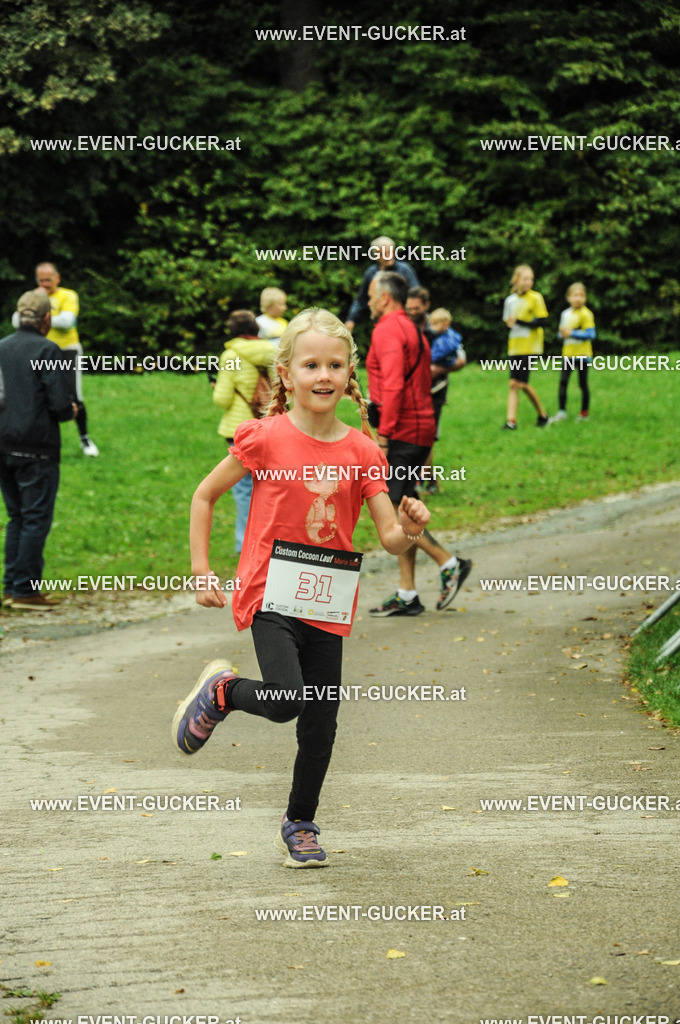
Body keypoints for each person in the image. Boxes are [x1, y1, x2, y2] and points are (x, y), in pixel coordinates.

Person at [172, 308, 430, 867]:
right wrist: (202, 571)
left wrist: (411, 528)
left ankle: (301, 822)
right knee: (288, 698)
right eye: (311, 364)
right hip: (269, 592)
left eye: (334, 365)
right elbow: (203, 496)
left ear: (348, 374)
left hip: (327, 598)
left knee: (321, 717)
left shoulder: (363, 451)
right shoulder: (265, 439)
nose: (323, 375)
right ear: (286, 374)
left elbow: (389, 537)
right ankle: (223, 692)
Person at [365, 271, 472, 616]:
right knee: (405, 505)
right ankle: (407, 593)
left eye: (370, 295)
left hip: (402, 431)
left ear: (384, 298)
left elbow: (394, 386)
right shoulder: (412, 327)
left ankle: (448, 562)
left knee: (393, 509)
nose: (367, 302)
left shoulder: (387, 329)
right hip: (420, 426)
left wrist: (383, 437)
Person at [0, 291, 77, 610]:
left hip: (2, 444)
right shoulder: (48, 349)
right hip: (37, 447)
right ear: (47, 320)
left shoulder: (1, 347)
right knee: (34, 518)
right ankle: (25, 590)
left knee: (16, 517)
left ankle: (10, 587)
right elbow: (60, 406)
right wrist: (71, 410)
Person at [13, 263, 98, 455]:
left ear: (57, 278)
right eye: (41, 280)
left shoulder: (68, 295)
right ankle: (37, 440)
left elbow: (68, 322)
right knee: (35, 396)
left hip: (66, 351)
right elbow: (15, 320)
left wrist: (37, 316)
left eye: (48, 280)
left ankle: (85, 439)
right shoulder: (32, 296)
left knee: (74, 396)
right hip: (38, 351)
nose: (44, 284)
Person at [213, 310, 277, 552]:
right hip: (269, 425)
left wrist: (215, 386)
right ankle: (271, 539)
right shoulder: (272, 353)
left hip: (241, 428)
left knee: (243, 489)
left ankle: (245, 543)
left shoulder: (231, 356)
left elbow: (222, 398)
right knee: (269, 486)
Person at [423, 307, 467, 494]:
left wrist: (433, 367)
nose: (432, 327)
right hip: (424, 388)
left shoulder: (447, 339)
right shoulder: (430, 334)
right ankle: (426, 479)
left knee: (426, 437)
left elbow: (459, 359)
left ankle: (425, 480)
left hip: (435, 390)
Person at [502, 264, 549, 430]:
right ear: (516, 280)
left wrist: (519, 322)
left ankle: (543, 414)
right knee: (513, 384)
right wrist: (510, 324)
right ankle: (511, 421)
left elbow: (542, 322)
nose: (529, 282)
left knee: (521, 383)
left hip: (531, 347)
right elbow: (508, 322)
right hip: (515, 346)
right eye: (525, 278)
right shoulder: (510, 300)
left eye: (531, 279)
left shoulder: (536, 298)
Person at [344, 236, 420, 331]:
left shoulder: (404, 270)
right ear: (375, 256)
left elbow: (416, 295)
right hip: (381, 323)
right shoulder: (371, 273)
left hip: (404, 322)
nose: (388, 256)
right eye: (384, 254)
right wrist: (351, 319)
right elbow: (361, 299)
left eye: (390, 252)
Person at [550, 282, 596, 422]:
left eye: (581, 295)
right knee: (563, 382)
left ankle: (584, 413)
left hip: (583, 355)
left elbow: (591, 334)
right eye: (575, 295)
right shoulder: (565, 314)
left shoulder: (587, 314)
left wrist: (572, 333)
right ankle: (562, 411)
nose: (578, 299)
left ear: (585, 298)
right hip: (568, 355)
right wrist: (563, 334)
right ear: (569, 298)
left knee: (583, 384)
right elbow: (561, 334)